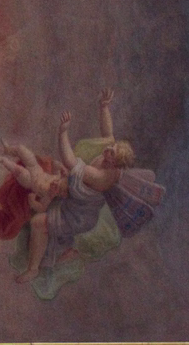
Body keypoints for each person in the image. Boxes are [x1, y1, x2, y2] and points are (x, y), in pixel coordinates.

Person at [23, 90, 166, 281]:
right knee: (48, 184)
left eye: (111, 152)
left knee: (37, 223)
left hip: (78, 216)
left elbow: (69, 161)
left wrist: (63, 132)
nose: (108, 149)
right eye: (112, 148)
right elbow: (108, 135)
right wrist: (104, 107)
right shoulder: (109, 160)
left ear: (115, 163)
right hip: (75, 202)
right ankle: (63, 249)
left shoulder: (100, 176)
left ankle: (33, 269)